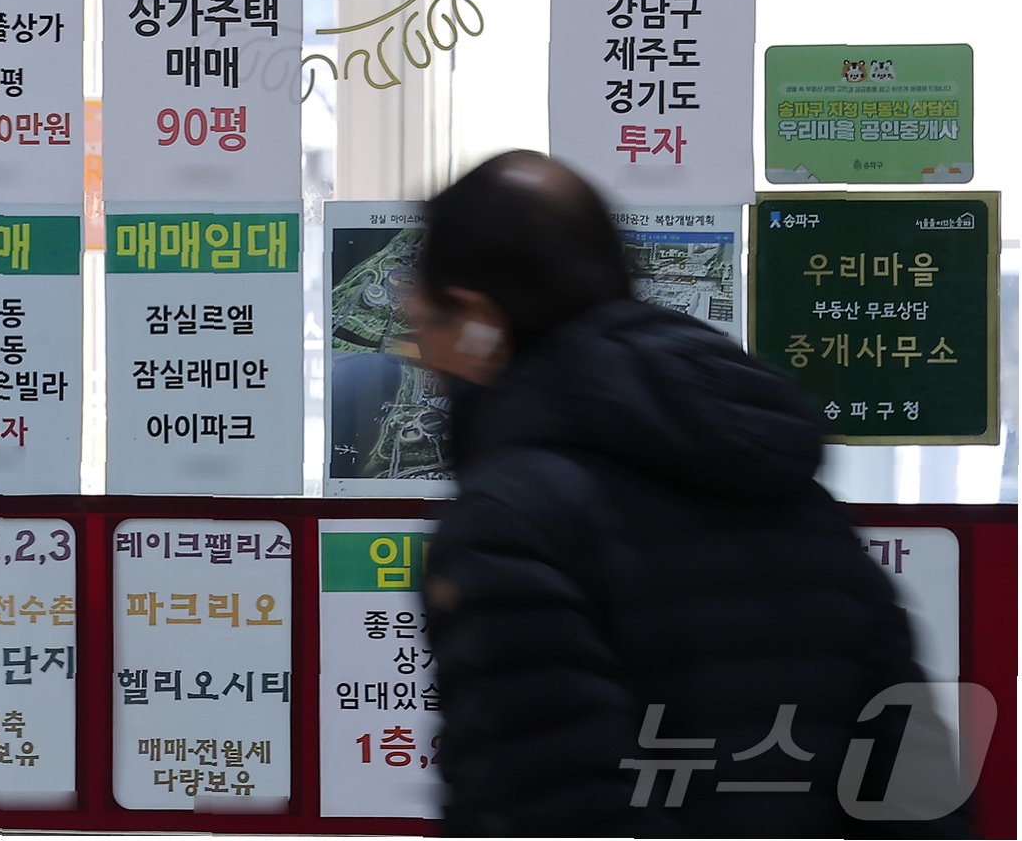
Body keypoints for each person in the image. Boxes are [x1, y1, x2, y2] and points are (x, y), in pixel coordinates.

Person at [411, 151, 968, 837]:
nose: (425, 364)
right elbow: (916, 790)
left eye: (424, 329)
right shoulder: (789, 491)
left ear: (477, 319)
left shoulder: (509, 523)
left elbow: (548, 809)